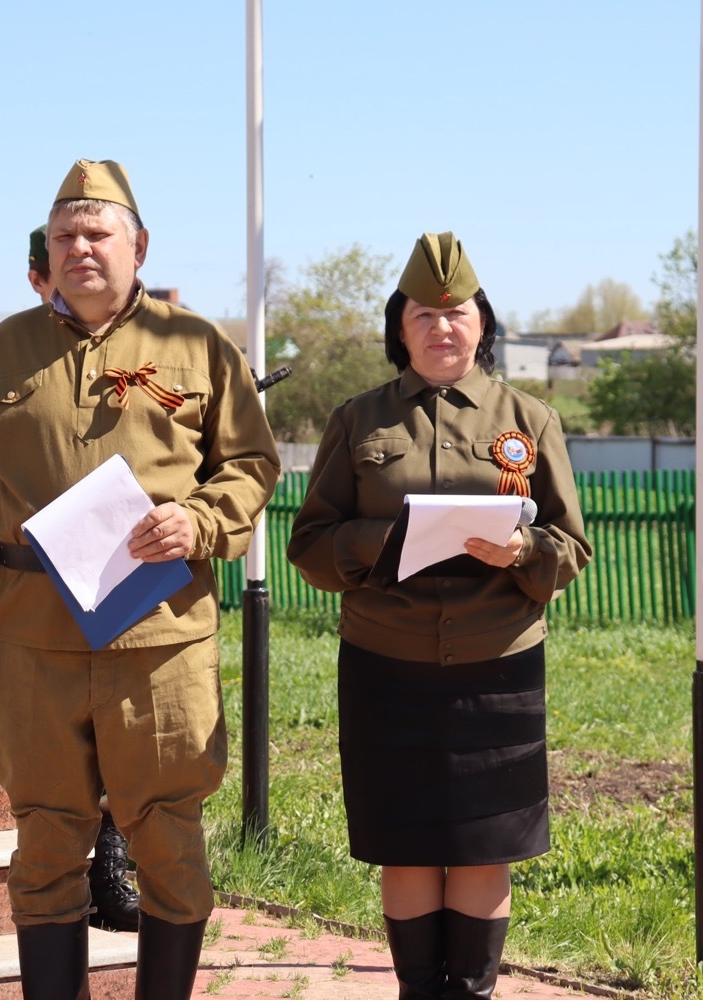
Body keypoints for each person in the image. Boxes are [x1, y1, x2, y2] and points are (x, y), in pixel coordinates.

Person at [0, 159, 281, 1000]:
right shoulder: (3, 351)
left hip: (160, 639)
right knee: (46, 842)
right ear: (45, 252)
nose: (80, 248)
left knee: (168, 842)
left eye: (96, 233)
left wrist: (199, 519)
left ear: (138, 246)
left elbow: (252, 464)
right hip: (35, 638)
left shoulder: (197, 345)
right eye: (64, 236)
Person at [286, 232, 590, 1000]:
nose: (442, 327)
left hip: (498, 663)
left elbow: (571, 548)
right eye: (424, 314)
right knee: (409, 843)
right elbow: (310, 547)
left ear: (483, 324)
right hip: (386, 662)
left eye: (457, 313)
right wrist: (381, 539)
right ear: (401, 328)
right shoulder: (357, 421)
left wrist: (522, 551)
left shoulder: (530, 419)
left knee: (486, 844)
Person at [26, 222, 141, 937]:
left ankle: (112, 870)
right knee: (61, 770)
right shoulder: (16, 359)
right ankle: (85, 882)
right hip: (44, 601)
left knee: (132, 754)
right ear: (38, 276)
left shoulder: (149, 350)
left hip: (132, 587)